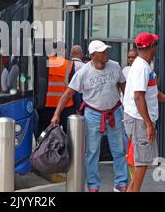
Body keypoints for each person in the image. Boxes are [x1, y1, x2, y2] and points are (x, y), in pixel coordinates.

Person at [51, 40, 128, 192]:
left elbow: (123, 86)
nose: (106, 53)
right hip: (93, 114)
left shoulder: (115, 66)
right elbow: (68, 94)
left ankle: (121, 182)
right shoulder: (83, 72)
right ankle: (93, 185)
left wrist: (128, 107)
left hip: (114, 111)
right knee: (92, 152)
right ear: (93, 55)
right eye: (102, 51)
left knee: (119, 150)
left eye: (106, 50)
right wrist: (56, 114)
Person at [123, 32, 165, 192]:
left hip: (140, 120)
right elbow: (138, 97)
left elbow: (152, 92)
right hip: (139, 121)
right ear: (152, 47)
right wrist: (148, 124)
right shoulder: (141, 68)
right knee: (141, 162)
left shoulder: (143, 66)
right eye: (155, 45)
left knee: (140, 162)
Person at [37, 42, 75, 135]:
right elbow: (74, 87)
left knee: (44, 133)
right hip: (66, 105)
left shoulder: (43, 63)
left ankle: (43, 148)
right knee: (69, 134)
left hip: (46, 105)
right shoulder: (69, 64)